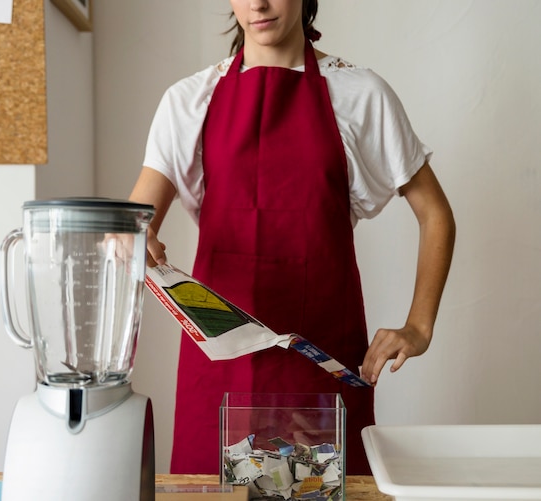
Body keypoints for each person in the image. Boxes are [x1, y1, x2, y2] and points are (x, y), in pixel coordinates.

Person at [129, 0, 455, 476]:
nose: (258, 4)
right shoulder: (189, 100)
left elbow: (435, 213)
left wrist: (419, 326)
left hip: (318, 363)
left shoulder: (360, 93)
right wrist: (136, 238)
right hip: (221, 369)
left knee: (315, 489)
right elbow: (138, 219)